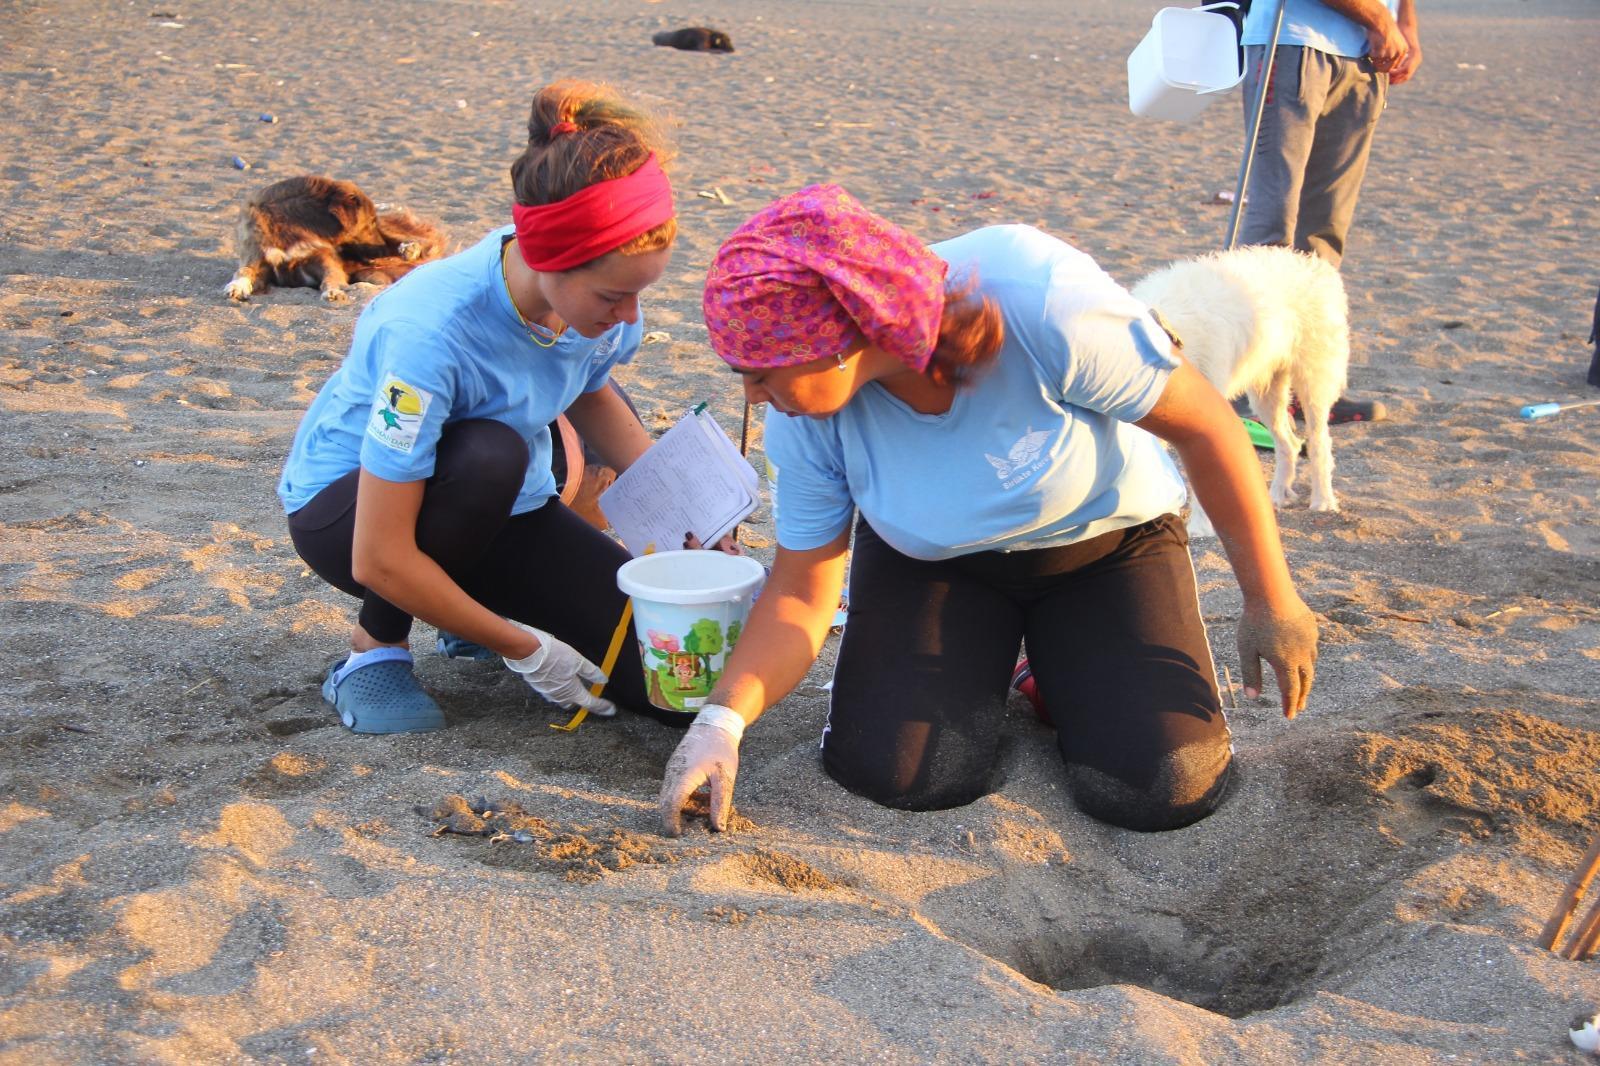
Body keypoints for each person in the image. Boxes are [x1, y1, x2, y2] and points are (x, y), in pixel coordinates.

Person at [657, 185, 1319, 836]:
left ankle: (1052, 665)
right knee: (899, 776)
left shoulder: (1041, 298)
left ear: (839, 339)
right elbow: (802, 592)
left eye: (761, 370)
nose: (751, 394)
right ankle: (1015, 661)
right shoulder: (802, 419)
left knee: (1161, 789)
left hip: (1106, 545)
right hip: (931, 561)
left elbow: (1209, 428)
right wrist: (721, 723)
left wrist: (1272, 601)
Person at [278, 80, 679, 734]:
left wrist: (689, 507)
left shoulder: (593, 301)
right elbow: (378, 553)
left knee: (673, 686)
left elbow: (591, 392)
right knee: (489, 453)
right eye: (613, 297)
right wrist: (525, 647)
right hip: (351, 512)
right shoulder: (429, 335)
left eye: (641, 293)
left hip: (501, 507)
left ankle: (465, 607)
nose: (631, 317)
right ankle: (374, 651)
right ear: (549, 261)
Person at [1238, 0, 1422, 422]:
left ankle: (1308, 390)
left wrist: (1405, 23)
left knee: (1324, 235)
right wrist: (1382, 20)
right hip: (1293, 38)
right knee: (1272, 227)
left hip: (1367, 55)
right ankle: (1249, 389)